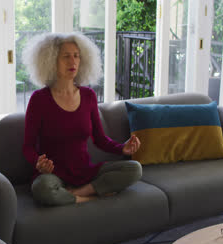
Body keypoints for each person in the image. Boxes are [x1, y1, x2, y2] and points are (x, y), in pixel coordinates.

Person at [22, 32, 142, 206]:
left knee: (134, 169)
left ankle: (77, 193)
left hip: (85, 172)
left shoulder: (88, 95)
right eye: (66, 57)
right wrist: (38, 163)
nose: (73, 62)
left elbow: (100, 139)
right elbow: (28, 147)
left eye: (76, 56)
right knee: (41, 189)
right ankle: (89, 198)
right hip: (53, 175)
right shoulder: (39, 99)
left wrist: (123, 149)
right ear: (51, 60)